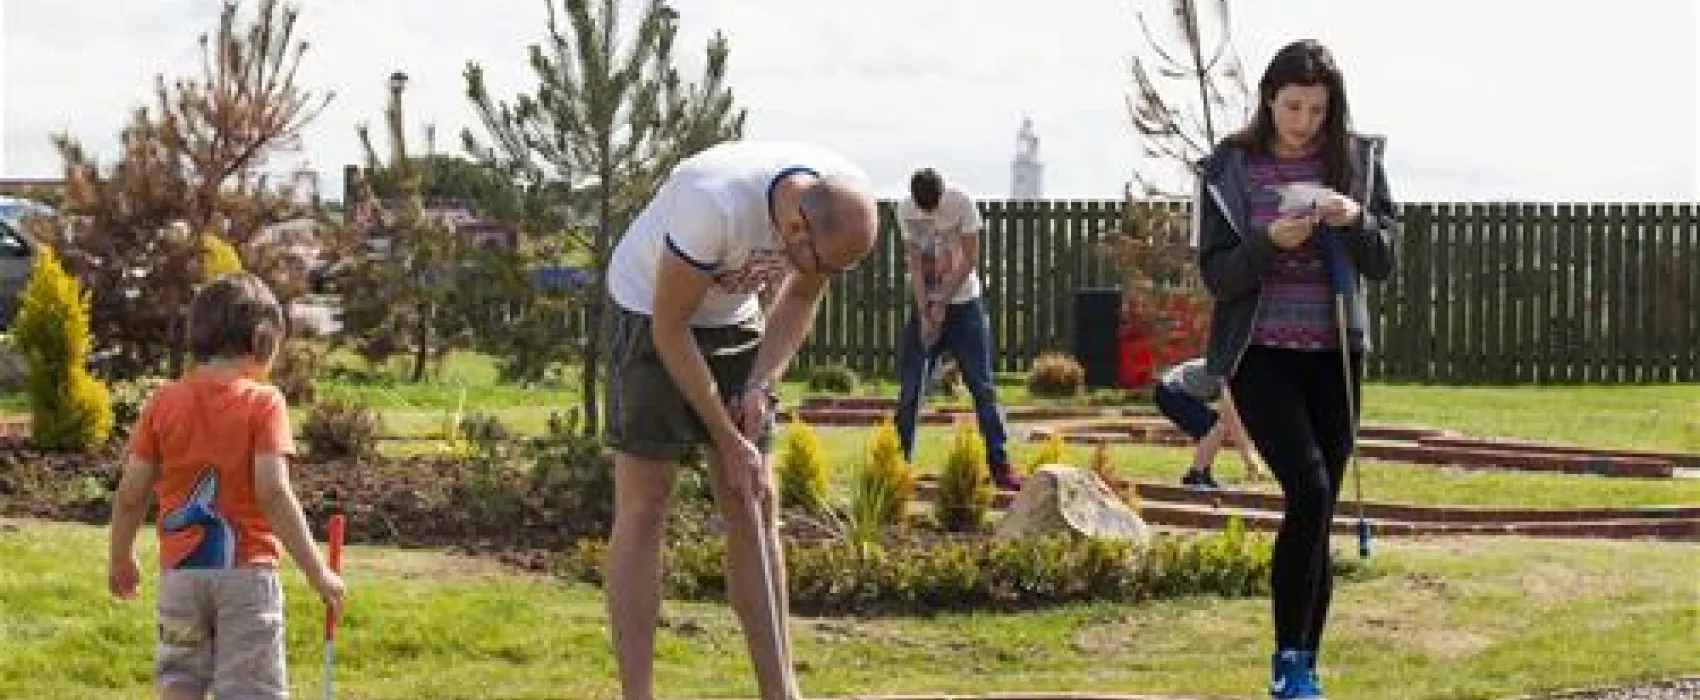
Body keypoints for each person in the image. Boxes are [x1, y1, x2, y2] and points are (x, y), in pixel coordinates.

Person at [602, 141, 879, 700]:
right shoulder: (715, 203)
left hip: (735, 319)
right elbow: (670, 329)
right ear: (796, 229)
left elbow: (799, 300)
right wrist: (726, 437)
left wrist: (759, 384)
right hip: (649, 312)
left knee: (755, 499)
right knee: (646, 500)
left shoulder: (840, 203)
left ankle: (781, 691)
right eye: (828, 266)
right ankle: (638, 693)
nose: (829, 277)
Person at [1194, 39, 1395, 699]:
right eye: (1292, 107)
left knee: (1321, 506)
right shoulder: (1229, 167)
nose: (1303, 121)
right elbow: (1218, 276)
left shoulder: (1357, 160)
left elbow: (1384, 258)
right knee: (1307, 491)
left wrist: (1354, 217)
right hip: (1261, 355)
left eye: (1316, 109)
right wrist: (1267, 243)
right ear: (1268, 100)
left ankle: (1305, 667)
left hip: (1335, 355)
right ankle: (1287, 661)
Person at [106, 272, 346, 700]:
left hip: (181, 577)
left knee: (180, 680)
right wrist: (317, 571)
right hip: (247, 577)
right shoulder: (263, 403)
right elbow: (273, 491)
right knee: (249, 688)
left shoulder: (162, 402)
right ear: (260, 340)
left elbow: (129, 496)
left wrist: (121, 557)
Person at [892, 168, 1020, 490]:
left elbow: (970, 259)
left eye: (933, 206)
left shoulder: (962, 203)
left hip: (965, 306)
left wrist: (942, 301)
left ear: (942, 193)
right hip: (927, 307)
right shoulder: (905, 210)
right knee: (911, 388)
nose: (928, 213)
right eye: (923, 208)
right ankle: (896, 465)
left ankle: (1001, 466)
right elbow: (914, 263)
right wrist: (924, 310)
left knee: (982, 387)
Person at [1153, 357, 1266, 489]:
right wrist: (1248, 457)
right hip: (1170, 391)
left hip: (1175, 392)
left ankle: (1202, 474)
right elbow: (1232, 419)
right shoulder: (1232, 372)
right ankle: (1196, 475)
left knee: (1217, 426)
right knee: (1213, 426)